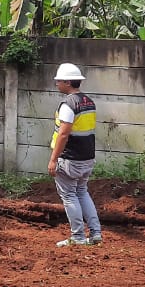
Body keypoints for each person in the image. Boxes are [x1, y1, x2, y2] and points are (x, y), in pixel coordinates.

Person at [48, 62, 102, 247]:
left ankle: (78, 236)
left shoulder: (68, 105)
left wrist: (54, 159)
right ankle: (95, 234)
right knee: (82, 192)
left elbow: (63, 133)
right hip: (87, 158)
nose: (56, 84)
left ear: (68, 82)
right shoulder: (89, 102)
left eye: (59, 81)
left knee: (70, 195)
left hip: (70, 160)